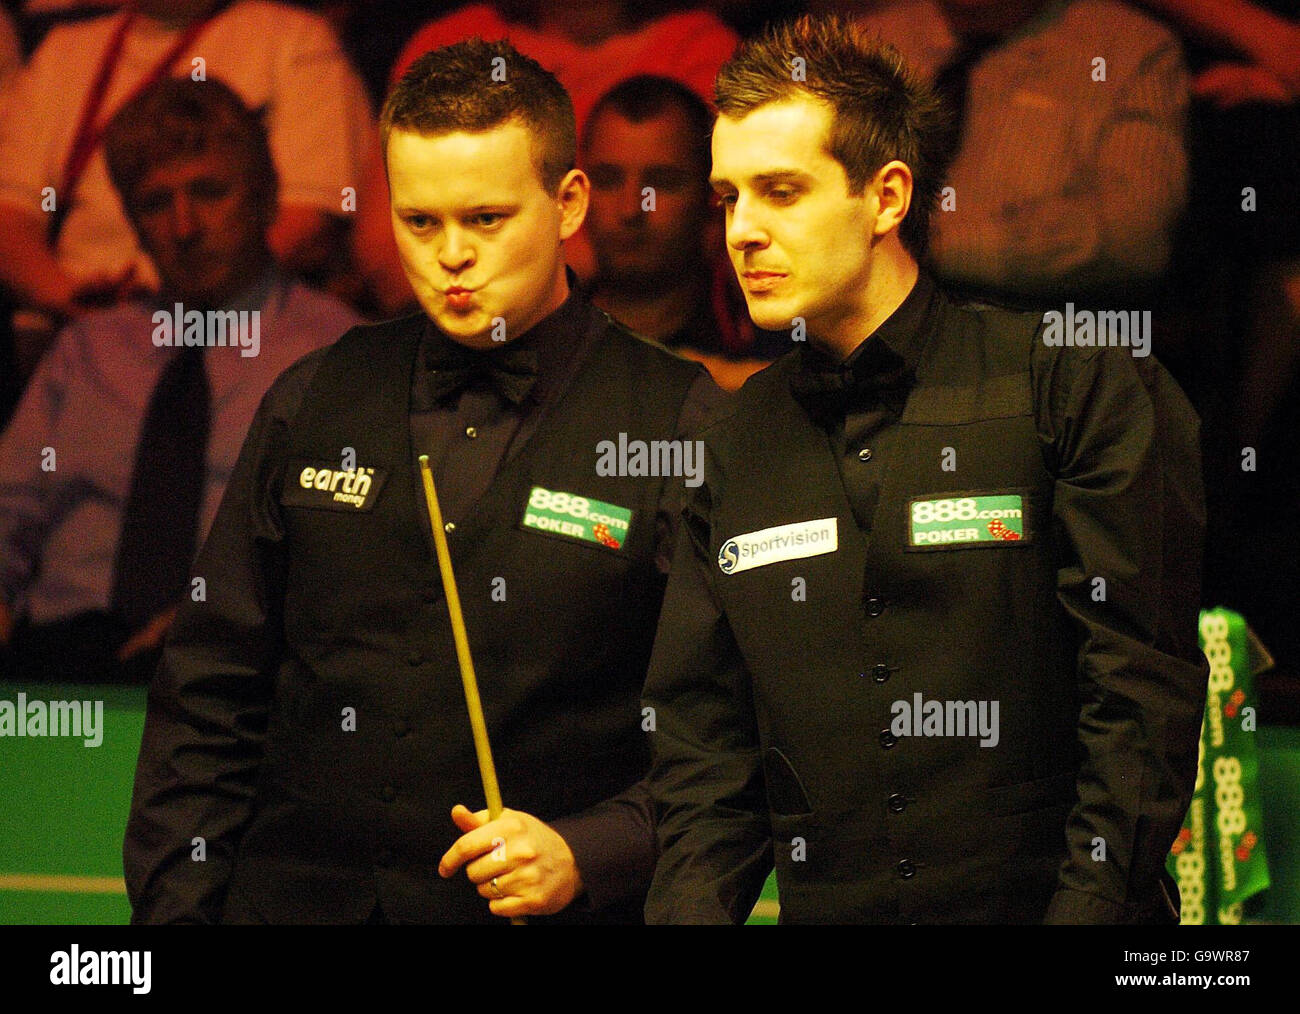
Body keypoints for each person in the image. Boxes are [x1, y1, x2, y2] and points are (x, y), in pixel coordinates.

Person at [123, 38, 721, 924]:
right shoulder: (316, 393)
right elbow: (209, 692)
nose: (450, 257)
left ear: (568, 204)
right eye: (420, 222)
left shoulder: (676, 418)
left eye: (485, 220)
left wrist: (588, 850)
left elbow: (717, 741)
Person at [642, 15, 1209, 924]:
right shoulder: (731, 441)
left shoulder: (1069, 380)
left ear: (888, 196)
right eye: (728, 198)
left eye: (781, 192)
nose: (742, 231)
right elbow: (706, 755)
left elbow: (1138, 701)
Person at [0, 75, 360, 683]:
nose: (184, 226)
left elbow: (355, 553)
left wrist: (228, 621)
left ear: (267, 197)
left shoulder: (336, 353)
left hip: (240, 667)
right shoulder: (89, 349)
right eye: (155, 204)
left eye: (210, 193)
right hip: (59, 660)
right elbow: (8, 513)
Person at [0, 0, 374, 379]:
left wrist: (176, 295)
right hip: (65, 328)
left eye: (210, 191)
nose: (184, 226)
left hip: (239, 324)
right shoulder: (64, 49)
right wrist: (70, 298)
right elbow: (9, 214)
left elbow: (309, 217)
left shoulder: (292, 37)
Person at [840, 0, 1189, 308]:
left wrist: (935, 245)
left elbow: (1133, 237)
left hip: (1031, 326)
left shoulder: (1128, 49)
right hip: (855, 316)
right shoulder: (865, 40)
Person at [581, 75, 788, 390]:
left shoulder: (776, 341)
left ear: (713, 197)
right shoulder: (538, 336)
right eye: (608, 180)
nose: (631, 209)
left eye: (662, 182)